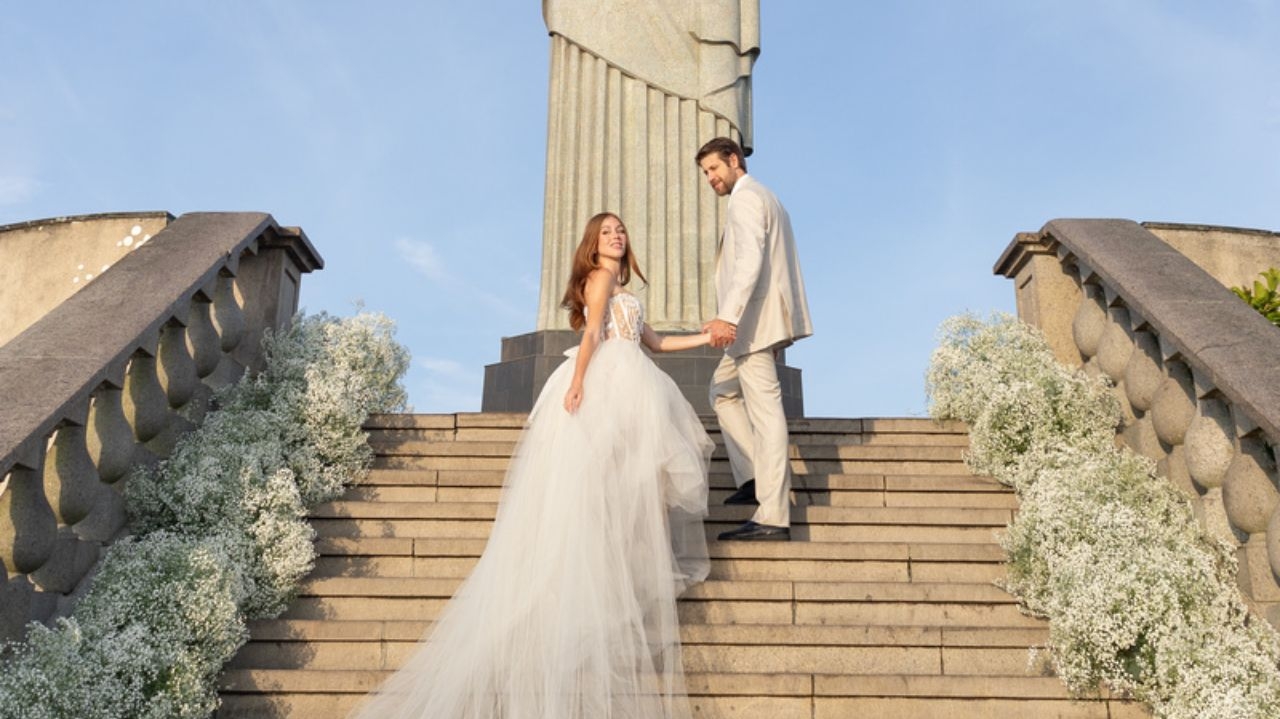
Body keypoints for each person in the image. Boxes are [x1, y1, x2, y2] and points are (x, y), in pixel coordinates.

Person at [349, 212, 714, 719]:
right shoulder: (601, 276)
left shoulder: (618, 284)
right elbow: (591, 336)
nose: (617, 236)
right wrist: (579, 382)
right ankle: (613, 579)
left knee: (629, 481)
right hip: (612, 377)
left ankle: (616, 576)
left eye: (621, 230)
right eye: (608, 231)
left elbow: (655, 342)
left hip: (633, 373)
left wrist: (707, 337)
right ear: (593, 242)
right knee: (623, 480)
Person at [697, 136, 813, 542]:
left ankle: (773, 515)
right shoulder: (766, 196)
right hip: (755, 323)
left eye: (714, 169)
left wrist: (727, 317)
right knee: (722, 392)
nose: (711, 178)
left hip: (753, 323)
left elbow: (750, 260)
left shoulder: (746, 198)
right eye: (706, 173)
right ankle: (753, 476)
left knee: (765, 415)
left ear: (734, 160)